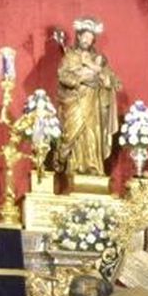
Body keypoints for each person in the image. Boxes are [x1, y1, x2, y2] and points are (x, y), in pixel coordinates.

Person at [56, 18, 120, 180]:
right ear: (78, 36)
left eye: (90, 38)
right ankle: (74, 168)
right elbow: (63, 75)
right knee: (75, 134)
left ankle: (93, 167)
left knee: (92, 133)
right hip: (75, 100)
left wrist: (104, 79)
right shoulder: (70, 56)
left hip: (94, 102)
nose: (87, 40)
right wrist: (80, 79)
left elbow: (112, 80)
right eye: (84, 36)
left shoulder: (98, 59)